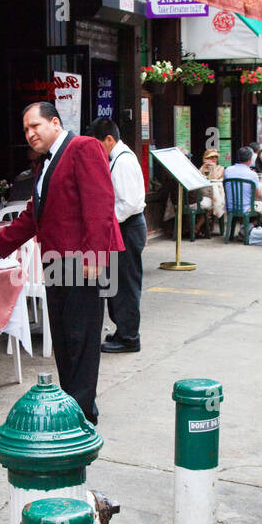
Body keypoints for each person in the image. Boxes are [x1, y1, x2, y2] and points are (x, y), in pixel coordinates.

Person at [0, 101, 122, 423]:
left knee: (81, 339)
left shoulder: (83, 147)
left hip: (84, 259)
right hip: (57, 260)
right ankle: (73, 406)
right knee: (64, 337)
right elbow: (34, 215)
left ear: (55, 123)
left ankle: (82, 414)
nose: (30, 134)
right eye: (26, 130)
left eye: (35, 126)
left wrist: (96, 255)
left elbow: (100, 204)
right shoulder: (46, 164)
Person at [86, 118, 146, 353]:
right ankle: (123, 330)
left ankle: (129, 337)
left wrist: (105, 222)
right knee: (116, 283)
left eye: (98, 144)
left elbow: (127, 203)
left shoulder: (123, 161)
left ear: (109, 139)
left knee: (125, 285)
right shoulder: (118, 158)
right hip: (123, 225)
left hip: (127, 226)